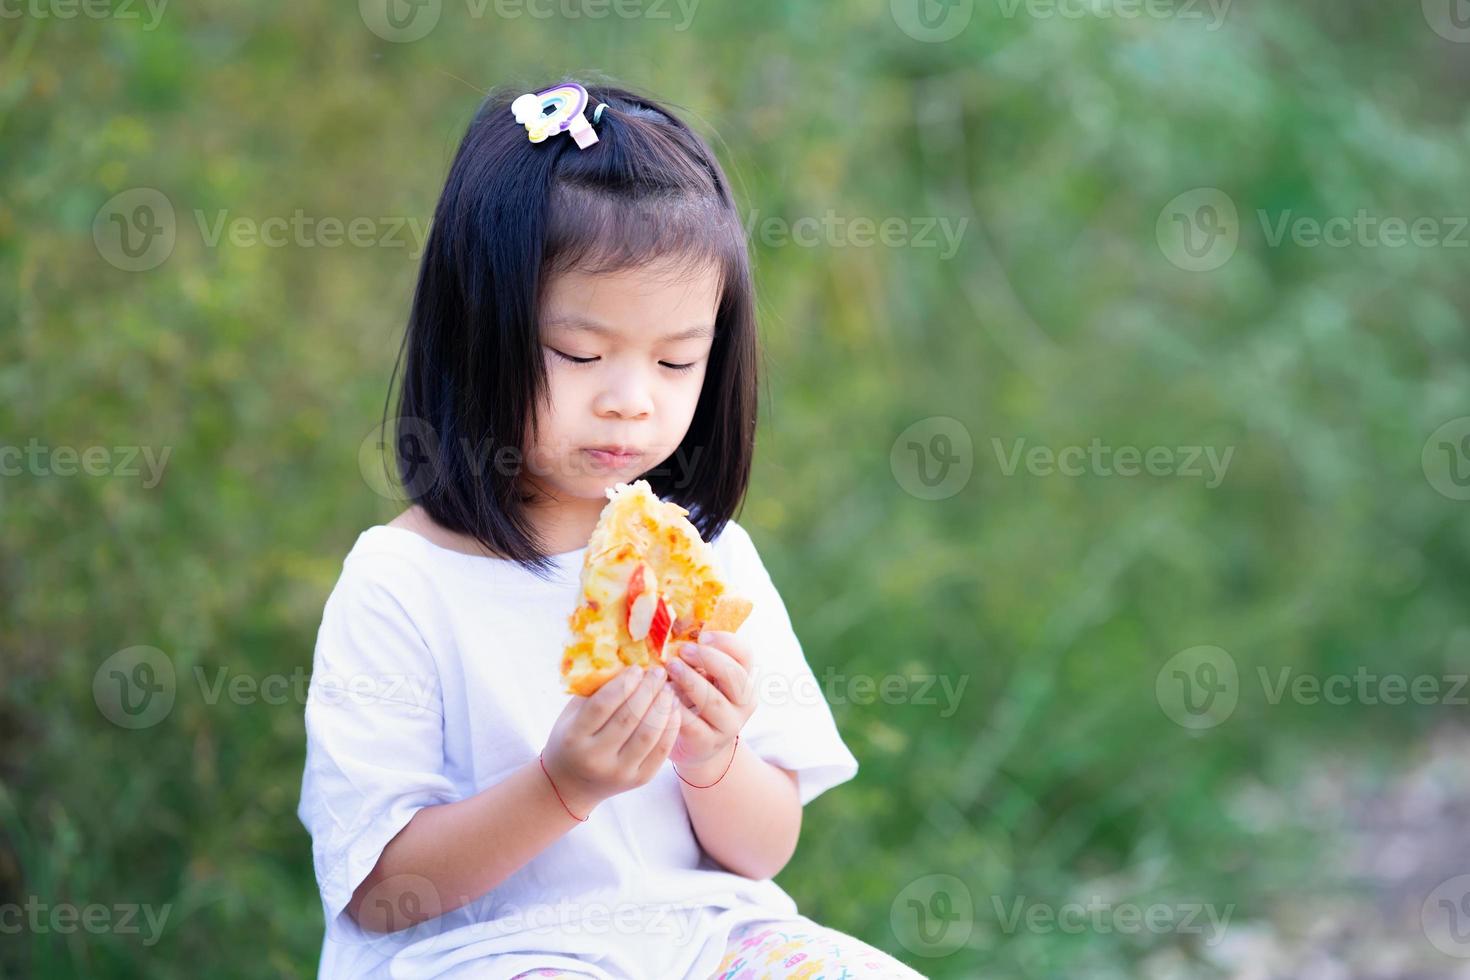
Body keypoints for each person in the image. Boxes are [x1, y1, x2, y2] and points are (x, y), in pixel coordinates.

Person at [296, 77, 927, 979]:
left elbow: (763, 849)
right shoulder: (402, 583)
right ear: (479, 333)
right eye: (581, 355)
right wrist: (563, 786)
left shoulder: (707, 562)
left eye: (677, 361)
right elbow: (382, 887)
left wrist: (711, 754)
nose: (631, 402)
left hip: (702, 933)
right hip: (490, 952)